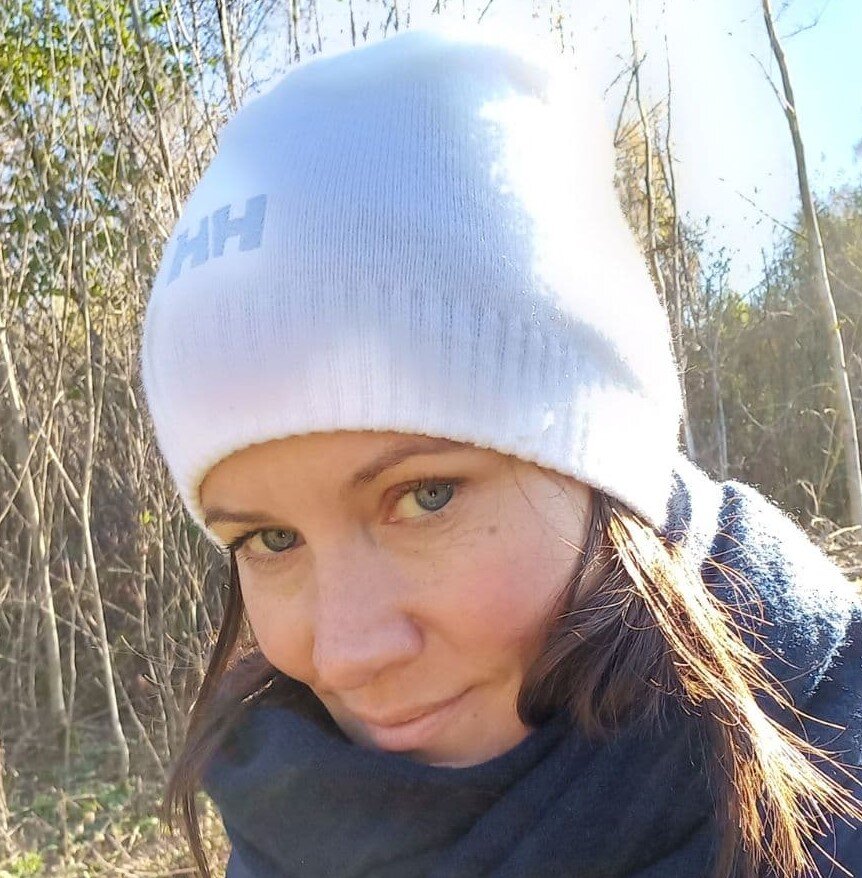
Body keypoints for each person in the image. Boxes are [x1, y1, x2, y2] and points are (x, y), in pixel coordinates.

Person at [140, 23, 862, 878]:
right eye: (270, 538)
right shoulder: (287, 821)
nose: (347, 652)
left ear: (603, 468)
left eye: (427, 495)